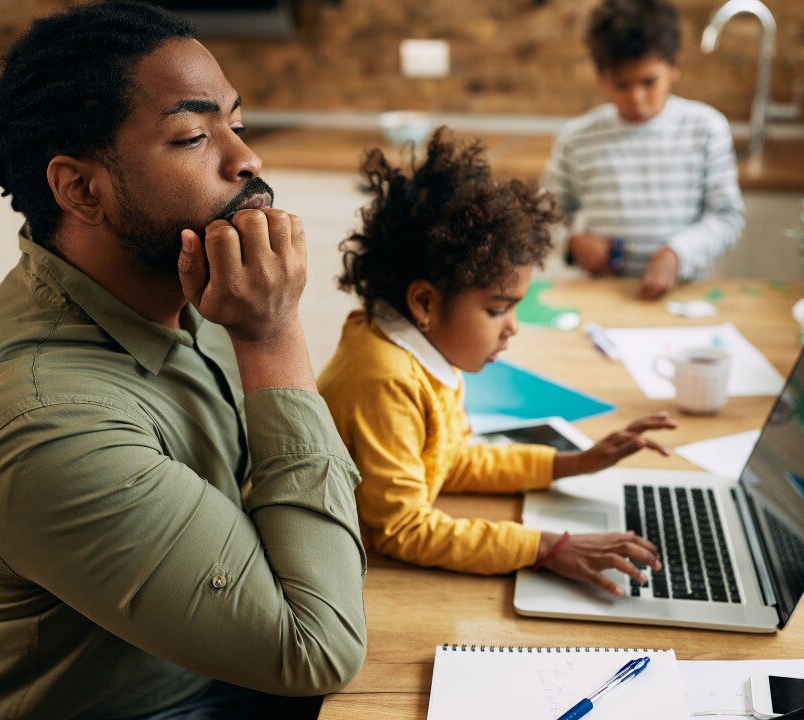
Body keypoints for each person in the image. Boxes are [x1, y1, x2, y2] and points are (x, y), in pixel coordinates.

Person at [0, 3, 366, 718]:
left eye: (237, 123)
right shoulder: (43, 423)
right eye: (193, 135)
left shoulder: (189, 289)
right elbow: (317, 651)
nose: (245, 159)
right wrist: (272, 338)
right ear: (81, 189)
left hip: (214, 661)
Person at [317, 128, 674, 592]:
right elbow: (402, 530)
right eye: (497, 309)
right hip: (343, 576)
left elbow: (451, 461)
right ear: (425, 303)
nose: (513, 327)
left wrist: (573, 463)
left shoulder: (423, 352)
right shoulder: (387, 378)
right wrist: (547, 547)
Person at [544, 0, 746, 300]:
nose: (636, 98)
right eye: (621, 84)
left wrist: (678, 254)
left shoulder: (707, 129)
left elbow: (727, 215)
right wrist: (573, 242)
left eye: (649, 82)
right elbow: (544, 213)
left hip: (681, 296)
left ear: (674, 66)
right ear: (601, 77)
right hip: (602, 296)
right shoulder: (576, 139)